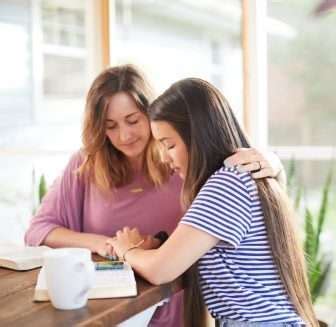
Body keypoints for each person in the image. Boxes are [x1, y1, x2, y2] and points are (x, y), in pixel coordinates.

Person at [25, 65, 284, 326]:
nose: (124, 136)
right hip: (108, 310)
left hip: (182, 310)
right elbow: (38, 231)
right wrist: (110, 244)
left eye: (133, 120)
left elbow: (165, 266)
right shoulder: (86, 165)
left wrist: (274, 165)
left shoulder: (205, 177)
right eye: (110, 126)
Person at [107, 78, 318, 326]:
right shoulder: (242, 177)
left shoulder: (227, 184)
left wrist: (126, 249)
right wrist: (160, 244)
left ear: (198, 137)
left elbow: (160, 270)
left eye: (169, 145)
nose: (164, 157)